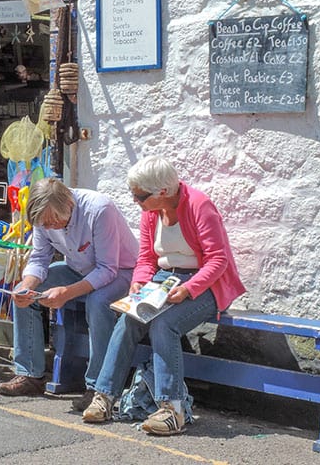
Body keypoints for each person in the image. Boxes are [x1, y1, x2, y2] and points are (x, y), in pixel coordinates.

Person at [82, 155, 246, 435]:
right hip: (164, 279)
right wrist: (138, 282)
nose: (137, 202)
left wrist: (189, 288)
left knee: (164, 325)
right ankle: (105, 395)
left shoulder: (199, 205)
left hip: (206, 283)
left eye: (140, 196)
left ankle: (172, 410)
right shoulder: (151, 211)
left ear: (163, 191)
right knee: (129, 320)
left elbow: (218, 260)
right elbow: (146, 257)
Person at [0, 178, 139, 400]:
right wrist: (27, 285)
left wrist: (67, 292)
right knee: (25, 296)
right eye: (44, 224)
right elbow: (40, 258)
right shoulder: (44, 216)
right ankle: (30, 374)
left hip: (123, 272)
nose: (49, 226)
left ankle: (98, 387)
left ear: (69, 203)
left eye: (54, 221)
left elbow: (107, 268)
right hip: (78, 269)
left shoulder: (100, 209)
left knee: (98, 302)